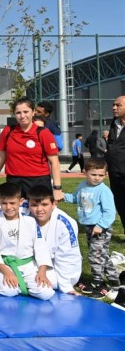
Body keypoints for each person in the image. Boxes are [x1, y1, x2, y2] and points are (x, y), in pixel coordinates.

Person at [0, 182, 54, 300]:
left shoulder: (30, 222)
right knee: (8, 291)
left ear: (21, 201)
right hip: (5, 266)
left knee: (46, 293)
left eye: (12, 203)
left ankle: (22, 285)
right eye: (4, 203)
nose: (8, 207)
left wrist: (42, 272)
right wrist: (7, 272)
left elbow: (40, 247)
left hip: (28, 267)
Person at [63, 158, 119, 298]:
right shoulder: (82, 185)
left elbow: (110, 212)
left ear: (105, 175)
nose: (97, 178)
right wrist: (62, 196)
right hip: (89, 227)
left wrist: (100, 226)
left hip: (100, 228)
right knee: (102, 255)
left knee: (95, 256)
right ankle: (114, 280)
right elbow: (76, 198)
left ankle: (99, 284)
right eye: (93, 174)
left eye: (101, 175)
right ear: (85, 172)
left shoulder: (104, 191)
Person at [0, 97, 63, 201]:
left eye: (26, 112)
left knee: (38, 210)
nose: (22, 116)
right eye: (18, 113)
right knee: (12, 210)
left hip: (38, 181)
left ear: (33, 112)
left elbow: (54, 162)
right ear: (14, 114)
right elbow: (1, 156)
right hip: (14, 181)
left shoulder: (43, 133)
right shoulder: (8, 131)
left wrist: (57, 188)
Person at [27, 185, 81, 295]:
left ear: (53, 204)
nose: (39, 209)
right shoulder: (22, 215)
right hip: (27, 263)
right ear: (28, 205)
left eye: (44, 204)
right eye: (34, 205)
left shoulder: (66, 224)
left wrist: (66, 286)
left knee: (45, 285)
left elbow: (68, 257)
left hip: (53, 268)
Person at [106, 95, 125, 229]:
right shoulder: (114, 123)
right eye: (113, 104)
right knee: (121, 205)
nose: (114, 108)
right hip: (115, 174)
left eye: (118, 105)